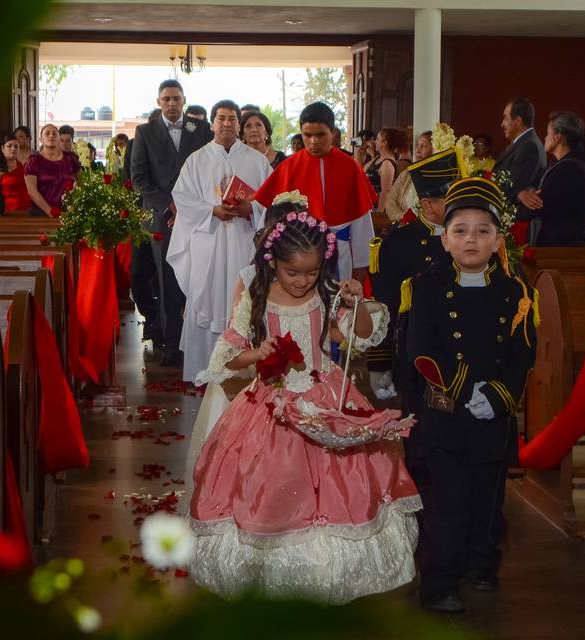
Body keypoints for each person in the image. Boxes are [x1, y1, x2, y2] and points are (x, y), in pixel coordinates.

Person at [188, 211, 421, 603]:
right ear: (272, 264)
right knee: (273, 484)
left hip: (324, 393)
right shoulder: (256, 298)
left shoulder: (326, 293)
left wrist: (357, 301)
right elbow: (229, 355)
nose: (302, 281)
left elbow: (361, 336)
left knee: (336, 487)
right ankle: (275, 577)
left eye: (311, 273)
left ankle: (327, 574)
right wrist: (255, 353)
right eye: (292, 272)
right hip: (271, 402)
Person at [403, 176, 537, 613]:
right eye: (460, 230)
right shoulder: (426, 287)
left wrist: (500, 395)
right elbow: (420, 349)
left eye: (483, 231)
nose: (471, 239)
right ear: (444, 240)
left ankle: (483, 563)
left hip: (494, 415)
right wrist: (462, 388)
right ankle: (440, 581)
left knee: (488, 496)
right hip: (447, 412)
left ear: (498, 240)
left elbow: (523, 352)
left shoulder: (515, 292)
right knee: (448, 500)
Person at [167, 99, 272, 382]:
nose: (227, 123)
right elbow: (183, 198)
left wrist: (250, 209)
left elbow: (272, 201)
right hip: (209, 241)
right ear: (212, 123)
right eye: (221, 118)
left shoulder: (257, 161)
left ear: (239, 124)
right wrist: (212, 210)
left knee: (244, 300)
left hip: (243, 240)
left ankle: (244, 370)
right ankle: (204, 369)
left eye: (232, 119)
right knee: (207, 297)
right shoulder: (197, 160)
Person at [131, 79, 214, 366]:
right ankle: (171, 344)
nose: (171, 103)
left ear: (184, 100)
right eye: (166, 99)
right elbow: (139, 179)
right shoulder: (145, 132)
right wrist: (170, 203)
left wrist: (191, 205)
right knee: (167, 280)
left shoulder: (201, 129)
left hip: (198, 216)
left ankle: (202, 338)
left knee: (198, 277)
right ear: (158, 102)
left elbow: (209, 170)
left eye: (176, 98)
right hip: (162, 217)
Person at [369, 147, 459, 400]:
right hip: (415, 359)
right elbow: (384, 306)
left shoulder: (472, 240)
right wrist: (380, 364)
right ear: (428, 204)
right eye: (451, 197)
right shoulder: (399, 244)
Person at [254, 101, 377, 282]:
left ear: (333, 132)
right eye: (307, 135)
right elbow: (270, 216)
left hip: (339, 252)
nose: (313, 141)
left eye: (320, 135)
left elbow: (361, 218)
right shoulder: (288, 167)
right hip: (296, 254)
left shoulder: (349, 167)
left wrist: (361, 262)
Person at [517, 111, 585, 246]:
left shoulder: (568, 169)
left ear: (557, 137)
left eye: (547, 133)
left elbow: (537, 206)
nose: (545, 138)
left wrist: (512, 208)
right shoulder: (571, 165)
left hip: (562, 248)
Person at [495, 97, 547, 244]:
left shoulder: (528, 146)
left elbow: (512, 184)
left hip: (515, 224)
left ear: (517, 121)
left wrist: (517, 192)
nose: (502, 124)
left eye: (505, 118)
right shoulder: (522, 143)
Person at [24, 124, 81, 217]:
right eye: (47, 133)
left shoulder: (70, 159)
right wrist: (50, 211)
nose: (51, 136)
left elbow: (81, 182)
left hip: (67, 212)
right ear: (41, 140)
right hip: (40, 212)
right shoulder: (33, 161)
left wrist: (74, 203)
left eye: (54, 134)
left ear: (59, 139)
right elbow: (32, 191)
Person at [382, 130, 433, 223]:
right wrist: (405, 219)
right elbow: (390, 200)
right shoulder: (407, 173)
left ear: (434, 149)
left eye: (423, 146)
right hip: (402, 225)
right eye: (418, 145)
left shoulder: (438, 176)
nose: (418, 150)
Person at [0, 134, 31, 213]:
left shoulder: (21, 165)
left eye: (16, 146)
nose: (13, 149)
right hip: (7, 211)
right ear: (2, 148)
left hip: (26, 208)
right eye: (9, 146)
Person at [366, 128, 402, 209]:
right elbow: (361, 172)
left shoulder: (387, 163)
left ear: (384, 143)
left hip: (377, 208)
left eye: (378, 139)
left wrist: (379, 215)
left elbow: (385, 192)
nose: (375, 142)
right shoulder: (378, 158)